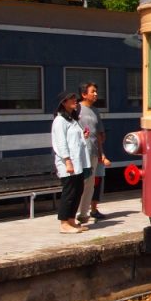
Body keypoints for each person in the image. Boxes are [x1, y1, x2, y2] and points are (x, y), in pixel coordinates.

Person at [51, 91, 91, 233]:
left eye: (75, 98)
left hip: (78, 162)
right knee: (69, 192)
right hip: (68, 163)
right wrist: (67, 161)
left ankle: (71, 220)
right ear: (64, 102)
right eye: (71, 99)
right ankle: (64, 223)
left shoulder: (72, 120)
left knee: (78, 190)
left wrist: (83, 136)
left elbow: (75, 141)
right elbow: (61, 143)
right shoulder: (60, 120)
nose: (75, 101)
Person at [76, 82, 111, 223]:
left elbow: (98, 134)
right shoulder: (77, 109)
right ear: (84, 94)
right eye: (93, 91)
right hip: (81, 152)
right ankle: (76, 212)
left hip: (94, 151)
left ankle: (85, 213)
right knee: (81, 183)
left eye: (96, 91)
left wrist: (102, 153)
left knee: (91, 184)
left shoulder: (95, 111)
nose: (96, 94)